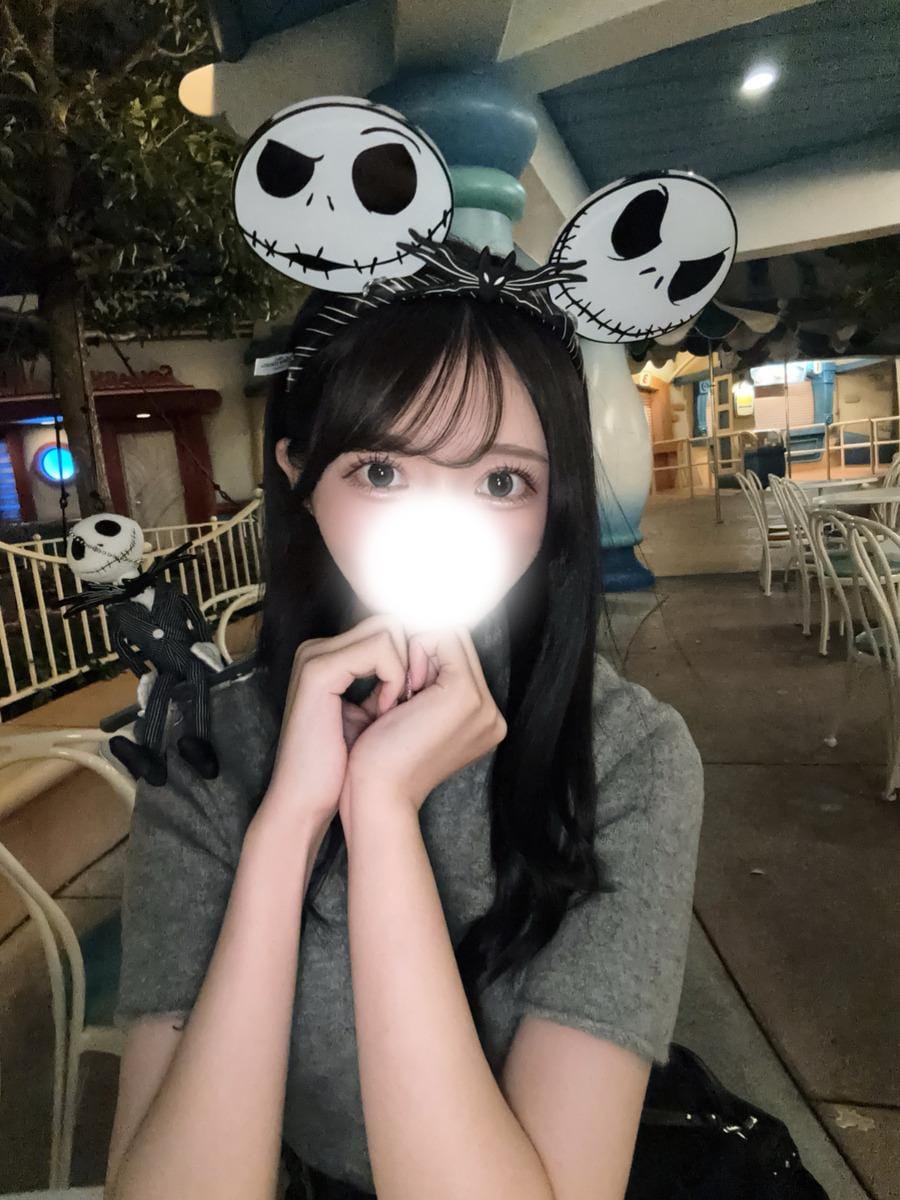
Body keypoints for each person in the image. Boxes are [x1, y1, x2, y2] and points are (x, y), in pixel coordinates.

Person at [104, 236, 704, 1200]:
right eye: (382, 471)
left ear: (553, 505)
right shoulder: (208, 749)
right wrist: (286, 827)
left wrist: (381, 812)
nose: (439, 527)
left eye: (501, 481)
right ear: (300, 474)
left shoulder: (630, 758)